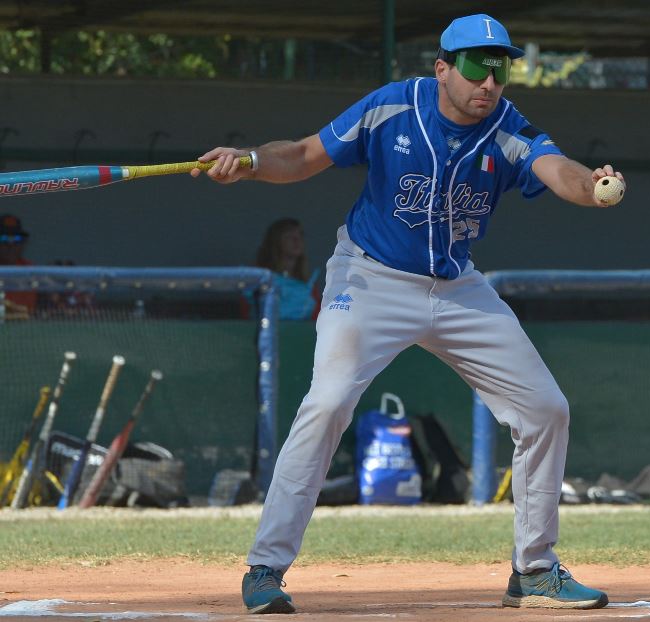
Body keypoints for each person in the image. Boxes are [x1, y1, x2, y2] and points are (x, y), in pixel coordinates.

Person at [193, 13, 622, 614]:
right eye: (478, 66)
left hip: (457, 287)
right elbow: (304, 154)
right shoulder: (393, 106)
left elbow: (561, 172)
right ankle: (265, 567)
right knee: (329, 402)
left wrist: (593, 182)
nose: (491, 81)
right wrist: (252, 161)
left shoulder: (507, 126)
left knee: (546, 409)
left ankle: (535, 570)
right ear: (443, 68)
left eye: (501, 68)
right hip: (369, 278)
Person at [249, 218, 321, 321]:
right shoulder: (259, 277)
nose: (297, 240)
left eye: (300, 235)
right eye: (289, 236)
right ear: (275, 241)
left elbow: (316, 321)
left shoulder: (309, 284)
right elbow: (248, 315)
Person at [0, 213, 37, 318]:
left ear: (23, 243)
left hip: (23, 331)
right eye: (3, 239)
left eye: (16, 239)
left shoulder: (32, 271)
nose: (10, 245)